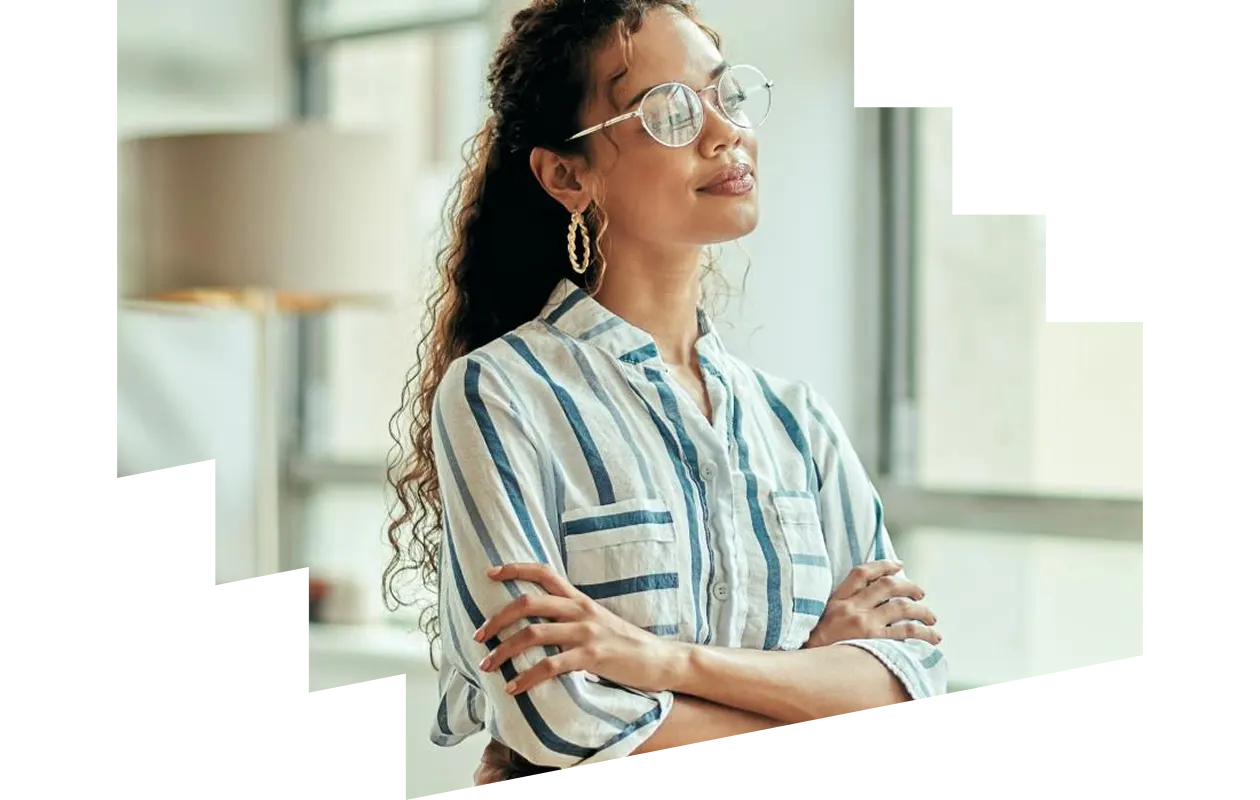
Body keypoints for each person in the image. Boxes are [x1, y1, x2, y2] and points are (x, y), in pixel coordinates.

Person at [383, 0, 948, 786]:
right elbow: (558, 721)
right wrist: (813, 682)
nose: (724, 132)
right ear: (567, 174)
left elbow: (906, 685)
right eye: (669, 111)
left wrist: (656, 660)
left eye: (725, 95)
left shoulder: (798, 423)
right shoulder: (501, 394)